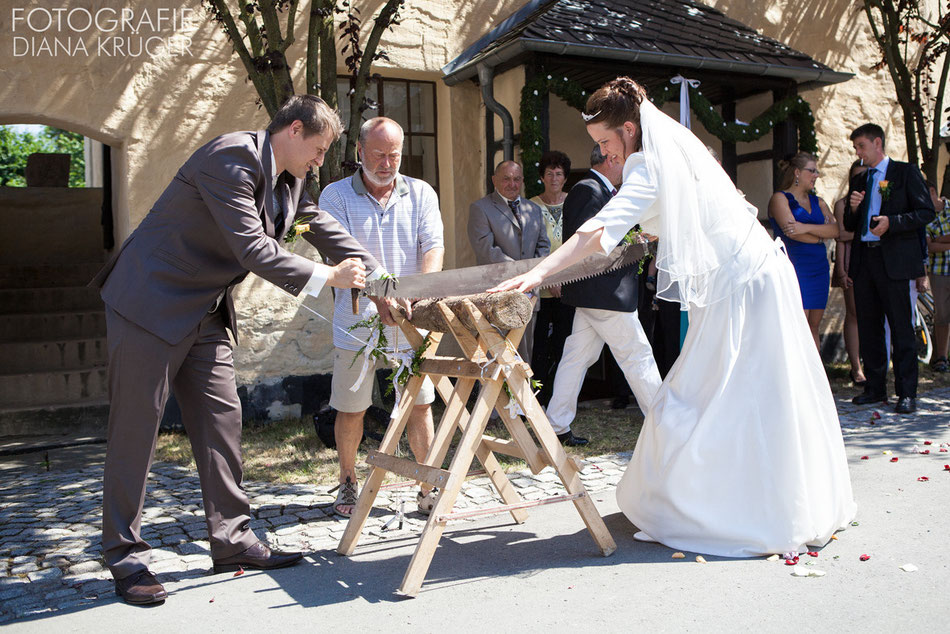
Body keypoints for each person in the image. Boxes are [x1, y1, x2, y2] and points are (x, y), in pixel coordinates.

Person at [492, 77, 855, 557]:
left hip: (742, 287)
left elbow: (594, 235)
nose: (604, 153)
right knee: (737, 392)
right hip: (754, 275)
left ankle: (744, 509)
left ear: (628, 128)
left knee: (735, 394)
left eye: (605, 143)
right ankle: (766, 500)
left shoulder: (648, 167)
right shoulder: (678, 154)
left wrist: (536, 275)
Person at [90, 95, 382, 605]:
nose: (320, 161)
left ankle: (233, 540)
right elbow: (252, 247)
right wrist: (328, 278)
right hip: (149, 305)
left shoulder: (291, 178)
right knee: (137, 429)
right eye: (317, 149)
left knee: (223, 422)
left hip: (204, 312)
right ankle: (124, 555)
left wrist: (374, 271)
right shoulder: (230, 158)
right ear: (292, 130)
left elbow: (313, 223)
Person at [319, 117, 445, 518]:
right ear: (359, 152)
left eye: (394, 154)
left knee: (421, 404)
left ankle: (427, 486)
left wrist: (413, 295)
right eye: (379, 155)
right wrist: (379, 300)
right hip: (355, 318)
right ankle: (347, 483)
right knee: (351, 406)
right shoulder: (335, 196)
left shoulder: (421, 192)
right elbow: (339, 257)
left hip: (410, 316)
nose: (388, 163)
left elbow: (433, 247)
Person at [546, 145, 662, 446]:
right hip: (603, 292)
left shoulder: (601, 190)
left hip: (596, 293)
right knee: (637, 356)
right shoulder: (588, 189)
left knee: (577, 357)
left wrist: (637, 239)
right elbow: (590, 242)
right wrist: (634, 241)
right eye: (622, 161)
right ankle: (666, 426)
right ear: (611, 160)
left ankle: (556, 425)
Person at [843, 123, 935, 414]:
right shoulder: (860, 180)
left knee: (900, 327)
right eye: (856, 148)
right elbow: (848, 225)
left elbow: (925, 212)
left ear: (877, 143)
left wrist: (891, 224)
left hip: (894, 260)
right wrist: (855, 210)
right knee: (869, 326)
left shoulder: (904, 172)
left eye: (861, 146)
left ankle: (906, 393)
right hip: (866, 260)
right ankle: (875, 387)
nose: (858, 153)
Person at [468, 160, 550, 362]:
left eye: (517, 179)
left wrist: (532, 277)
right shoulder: (480, 208)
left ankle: (522, 395)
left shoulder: (534, 210)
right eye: (506, 179)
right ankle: (495, 395)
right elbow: (486, 250)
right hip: (496, 294)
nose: (512, 184)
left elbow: (543, 246)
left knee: (524, 357)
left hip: (528, 295)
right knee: (495, 357)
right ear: (494, 180)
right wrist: (520, 274)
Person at [768, 152, 839, 347]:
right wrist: (820, 235)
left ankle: (815, 376)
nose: (816, 175)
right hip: (795, 266)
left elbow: (835, 229)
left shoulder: (820, 202)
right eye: (812, 171)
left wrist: (806, 227)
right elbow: (792, 233)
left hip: (819, 267)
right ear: (797, 172)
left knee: (814, 325)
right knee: (798, 324)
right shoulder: (780, 199)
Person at [529, 150, 575, 404]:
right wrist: (548, 278)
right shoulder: (531, 206)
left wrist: (564, 277)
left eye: (559, 174)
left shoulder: (573, 203)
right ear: (542, 177)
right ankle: (538, 398)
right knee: (539, 347)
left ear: (565, 177)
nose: (554, 178)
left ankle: (560, 397)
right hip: (540, 288)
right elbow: (533, 247)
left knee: (564, 344)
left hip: (569, 286)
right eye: (550, 173)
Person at [833, 161, 869, 385]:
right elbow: (841, 236)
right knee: (854, 313)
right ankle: (856, 367)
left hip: (876, 262)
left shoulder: (879, 201)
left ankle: (876, 363)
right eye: (857, 176)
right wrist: (841, 270)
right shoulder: (843, 204)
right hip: (852, 262)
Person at [925, 180, 950, 372]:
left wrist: (938, 239)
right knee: (941, 314)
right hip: (939, 270)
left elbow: (934, 243)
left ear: (932, 191)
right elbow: (929, 247)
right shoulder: (925, 216)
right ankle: (941, 357)